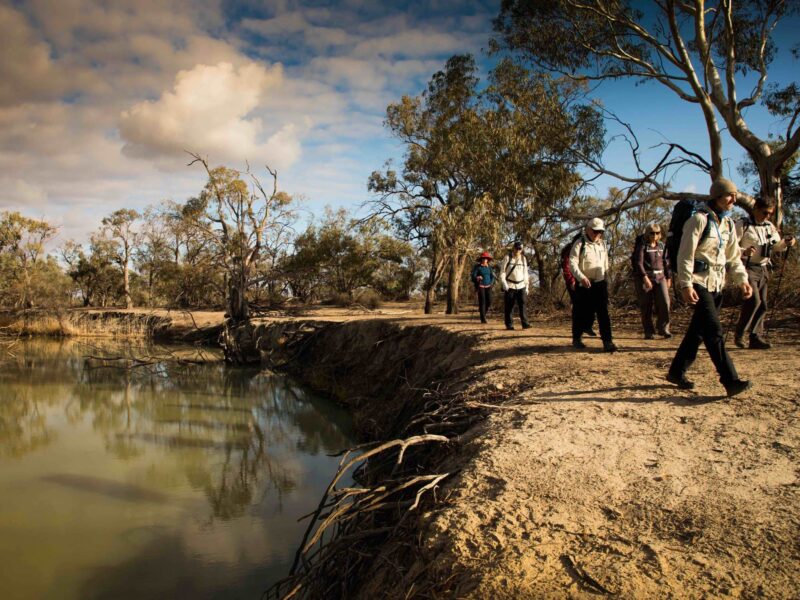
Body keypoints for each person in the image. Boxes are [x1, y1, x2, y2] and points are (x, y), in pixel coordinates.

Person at [667, 178, 753, 397]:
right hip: (698, 283)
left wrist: (742, 280)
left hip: (716, 284)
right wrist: (686, 284)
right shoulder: (698, 220)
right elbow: (685, 255)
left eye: (735, 195)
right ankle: (731, 381)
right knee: (714, 332)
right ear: (717, 196)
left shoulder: (728, 224)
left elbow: (733, 257)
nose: (733, 200)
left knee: (697, 332)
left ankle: (676, 372)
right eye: (729, 195)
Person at [733, 197, 796, 349]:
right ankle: (740, 334)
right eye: (764, 212)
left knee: (763, 305)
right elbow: (731, 247)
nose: (767, 216)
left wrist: (786, 243)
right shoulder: (742, 224)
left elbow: (776, 246)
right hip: (747, 267)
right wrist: (744, 251)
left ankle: (755, 337)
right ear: (755, 209)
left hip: (763, 268)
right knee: (754, 301)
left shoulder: (769, 226)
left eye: (770, 214)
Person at [569, 217, 617, 352]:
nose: (597, 234)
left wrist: (605, 277)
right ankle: (577, 338)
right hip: (584, 284)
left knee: (603, 313)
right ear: (588, 230)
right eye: (595, 231)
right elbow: (572, 263)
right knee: (580, 312)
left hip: (600, 283)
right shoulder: (580, 243)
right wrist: (581, 278)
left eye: (600, 231)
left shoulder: (602, 244)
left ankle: (607, 342)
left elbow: (605, 263)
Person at [633, 223, 672, 339]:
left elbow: (666, 262)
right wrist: (644, 277)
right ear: (647, 233)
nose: (654, 235)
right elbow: (638, 263)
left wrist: (669, 277)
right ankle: (649, 331)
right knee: (646, 304)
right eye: (652, 233)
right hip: (645, 277)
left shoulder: (662, 245)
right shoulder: (642, 246)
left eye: (657, 233)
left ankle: (664, 328)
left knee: (665, 302)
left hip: (660, 277)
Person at [499, 241, 531, 330]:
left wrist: (527, 286)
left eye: (520, 248)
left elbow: (525, 273)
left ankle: (525, 323)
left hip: (521, 285)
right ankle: (509, 324)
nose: (518, 250)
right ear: (513, 248)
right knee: (509, 306)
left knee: (523, 304)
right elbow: (502, 272)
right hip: (510, 285)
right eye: (516, 248)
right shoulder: (507, 258)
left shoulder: (523, 258)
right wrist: (504, 283)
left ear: (522, 249)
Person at [471, 251, 495, 324]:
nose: (485, 260)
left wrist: (491, 283)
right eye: (483, 258)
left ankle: (484, 313)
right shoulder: (478, 267)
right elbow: (473, 276)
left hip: (488, 286)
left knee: (489, 301)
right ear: (481, 259)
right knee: (482, 302)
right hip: (480, 286)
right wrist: (477, 277)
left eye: (486, 258)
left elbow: (492, 276)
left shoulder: (489, 267)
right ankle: (483, 318)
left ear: (488, 260)